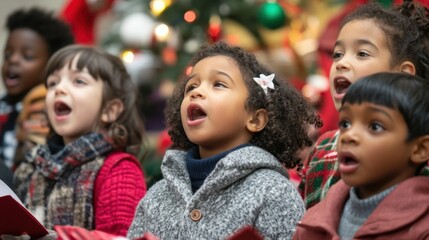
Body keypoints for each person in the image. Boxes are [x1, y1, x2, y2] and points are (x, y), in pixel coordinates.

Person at [126, 41, 322, 240]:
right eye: (191, 86)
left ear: (254, 119)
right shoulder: (157, 196)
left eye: (218, 84)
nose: (196, 92)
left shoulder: (274, 193)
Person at [298, 0, 429, 209]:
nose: (341, 63)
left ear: (403, 74)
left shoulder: (417, 146)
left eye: (362, 54)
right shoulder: (323, 148)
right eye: (338, 54)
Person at [12, 45, 147, 236]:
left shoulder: (119, 170)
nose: (59, 89)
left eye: (79, 81)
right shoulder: (30, 167)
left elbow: (120, 237)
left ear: (110, 110)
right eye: (52, 83)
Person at [294, 72, 429, 239]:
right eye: (345, 124)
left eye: (375, 126)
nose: (349, 135)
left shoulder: (422, 229)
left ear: (420, 149)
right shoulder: (311, 223)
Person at [1, 8, 75, 171]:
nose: (13, 60)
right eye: (8, 54)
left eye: (27, 56)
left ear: (51, 66)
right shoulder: (2, 107)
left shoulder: (47, 111)